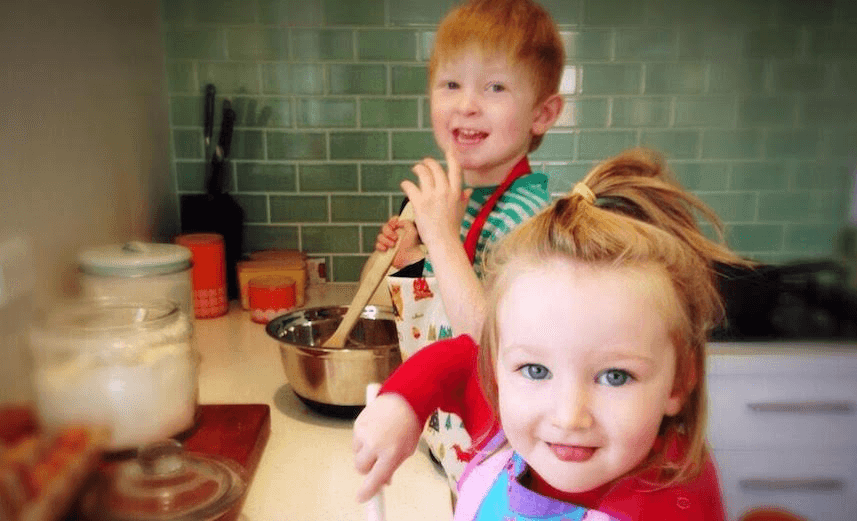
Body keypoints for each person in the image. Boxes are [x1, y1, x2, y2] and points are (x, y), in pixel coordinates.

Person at [354, 148, 749, 519]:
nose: (568, 415)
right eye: (536, 370)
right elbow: (460, 359)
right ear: (497, 369)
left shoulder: (678, 504)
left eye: (615, 376)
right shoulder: (503, 431)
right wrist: (403, 404)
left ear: (679, 382)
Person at [375, 0, 565, 341]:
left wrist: (441, 238)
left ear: (542, 114)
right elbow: (444, 307)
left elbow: (492, 347)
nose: (466, 106)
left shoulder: (526, 221)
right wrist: (414, 259)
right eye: (451, 85)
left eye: (495, 87)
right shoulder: (462, 198)